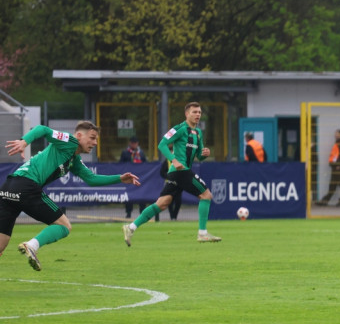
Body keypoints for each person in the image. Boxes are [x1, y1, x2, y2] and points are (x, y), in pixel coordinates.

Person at [1, 121, 141, 271]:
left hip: (9, 187)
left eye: (96, 140)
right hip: (26, 186)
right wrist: (24, 141)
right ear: (79, 135)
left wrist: (119, 178)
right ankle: (32, 245)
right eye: (92, 138)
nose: (94, 143)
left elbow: (92, 179)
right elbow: (43, 129)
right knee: (64, 225)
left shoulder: (74, 160)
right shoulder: (69, 141)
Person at [122, 101, 221, 245]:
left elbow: (199, 156)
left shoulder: (198, 133)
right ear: (187, 114)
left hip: (178, 173)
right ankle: (202, 233)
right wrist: (174, 160)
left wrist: (205, 154)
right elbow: (161, 144)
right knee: (206, 195)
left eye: (199, 112)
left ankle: (130, 227)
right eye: (194, 112)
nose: (198, 115)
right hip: (180, 171)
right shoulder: (179, 129)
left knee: (162, 203)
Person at [119, 136, 149, 218]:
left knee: (142, 196)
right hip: (129, 178)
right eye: (132, 143)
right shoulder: (125, 153)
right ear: (130, 143)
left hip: (140, 177)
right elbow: (121, 164)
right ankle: (128, 213)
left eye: (135, 143)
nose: (134, 144)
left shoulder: (141, 153)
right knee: (129, 196)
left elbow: (146, 164)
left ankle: (143, 213)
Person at [318, 129, 340, 205]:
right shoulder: (338, 143)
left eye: (337, 134)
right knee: (333, 185)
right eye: (335, 134)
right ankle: (325, 201)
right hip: (335, 167)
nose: (336, 135)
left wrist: (339, 165)